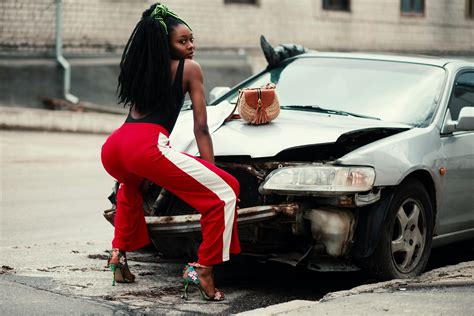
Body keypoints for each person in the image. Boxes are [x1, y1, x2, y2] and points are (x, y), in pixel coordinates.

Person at [101, 3, 240, 301]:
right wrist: (212, 171)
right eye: (183, 41)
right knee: (226, 191)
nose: (191, 46)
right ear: (165, 45)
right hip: (145, 147)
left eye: (192, 39)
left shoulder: (142, 70)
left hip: (114, 147)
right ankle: (203, 269)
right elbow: (200, 128)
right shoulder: (190, 70)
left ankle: (118, 257)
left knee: (131, 187)